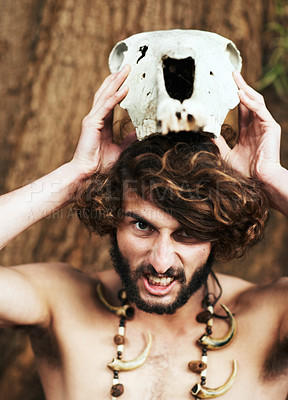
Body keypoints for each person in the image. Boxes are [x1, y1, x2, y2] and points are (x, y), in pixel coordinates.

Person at [0, 64, 287, 400]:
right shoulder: (59, 302)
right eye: (142, 226)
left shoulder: (272, 316)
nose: (161, 262)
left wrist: (269, 178)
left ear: (218, 233)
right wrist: (76, 177)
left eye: (188, 233)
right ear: (112, 217)